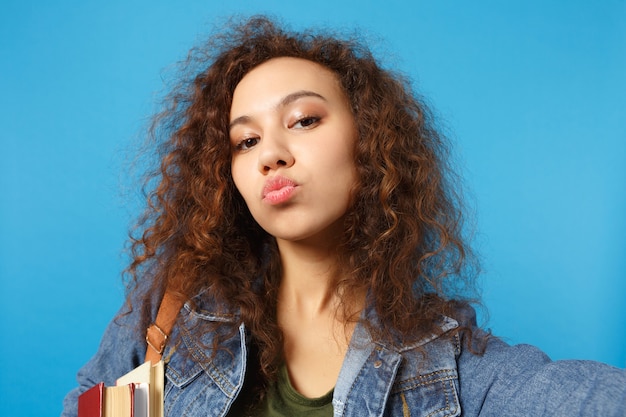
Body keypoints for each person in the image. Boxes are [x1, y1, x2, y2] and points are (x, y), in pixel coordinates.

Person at [62, 16, 626, 417]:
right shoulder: (174, 311)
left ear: (371, 144)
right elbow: (88, 407)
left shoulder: (445, 366)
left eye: (304, 120)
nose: (270, 153)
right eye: (245, 140)